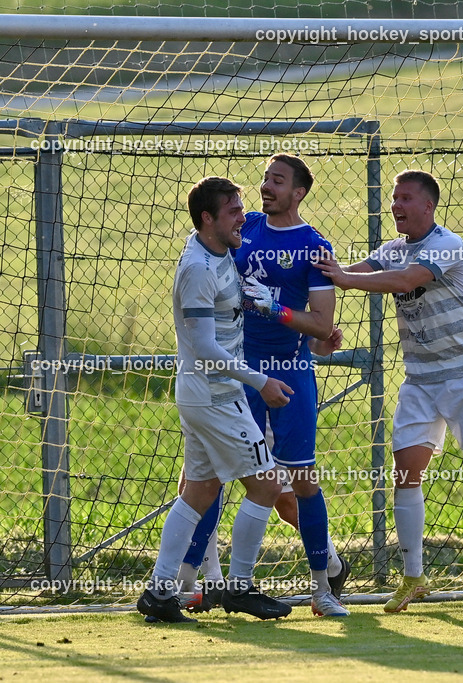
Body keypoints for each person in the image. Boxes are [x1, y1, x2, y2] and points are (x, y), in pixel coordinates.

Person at [314, 170, 463, 613]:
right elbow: (353, 273)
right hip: (419, 379)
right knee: (405, 473)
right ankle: (413, 578)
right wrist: (318, 268)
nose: (396, 205)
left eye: (405, 198)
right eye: (394, 198)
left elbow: (404, 281)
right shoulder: (391, 250)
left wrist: (344, 279)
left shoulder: (447, 244)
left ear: (429, 206)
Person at [177, 155, 350, 619]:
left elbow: (322, 325)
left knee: (301, 483)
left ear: (299, 192)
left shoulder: (314, 246)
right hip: (237, 375)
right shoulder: (244, 226)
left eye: (278, 180)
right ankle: (195, 583)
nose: (266, 186)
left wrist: (276, 311)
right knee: (209, 480)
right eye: (265, 178)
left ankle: (323, 588)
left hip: (289, 375)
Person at [137, 176, 293, 623]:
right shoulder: (198, 268)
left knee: (200, 491)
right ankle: (239, 588)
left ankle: (159, 592)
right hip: (214, 397)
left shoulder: (217, 250)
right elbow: (205, 347)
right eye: (233, 211)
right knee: (267, 485)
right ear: (207, 218)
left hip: (208, 394)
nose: (243, 217)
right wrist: (261, 381)